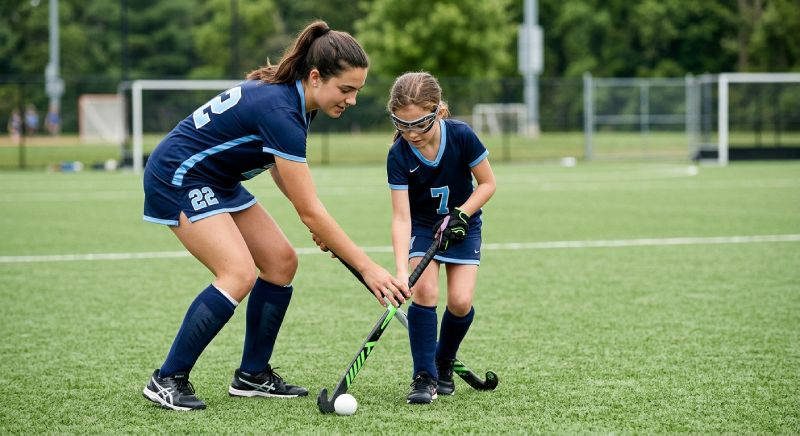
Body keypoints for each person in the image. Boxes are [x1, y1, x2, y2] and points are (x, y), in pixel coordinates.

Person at [140, 20, 409, 411]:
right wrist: (367, 267)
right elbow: (311, 209)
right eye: (346, 89)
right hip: (179, 175)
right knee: (238, 273)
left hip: (219, 179)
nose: (351, 100)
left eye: (357, 91)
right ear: (315, 77)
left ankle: (252, 375)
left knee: (281, 262)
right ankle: (167, 378)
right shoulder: (282, 111)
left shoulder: (301, 101)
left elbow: (281, 169)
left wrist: (314, 221)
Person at [385, 72, 496, 404]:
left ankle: (444, 361)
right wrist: (402, 271)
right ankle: (424, 377)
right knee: (425, 291)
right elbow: (401, 216)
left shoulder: (462, 136)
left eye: (420, 124)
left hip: (463, 225)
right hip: (422, 227)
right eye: (403, 125)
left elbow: (488, 184)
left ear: (439, 113)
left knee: (460, 302)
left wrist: (462, 213)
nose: (411, 134)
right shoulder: (398, 155)